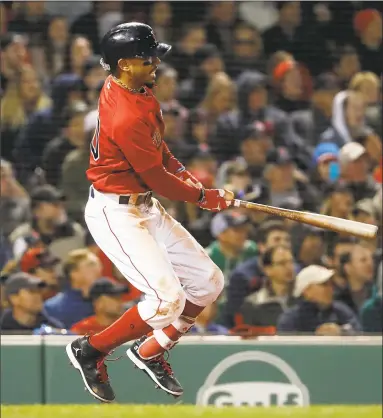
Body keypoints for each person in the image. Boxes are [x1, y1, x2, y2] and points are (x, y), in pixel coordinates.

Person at [66, 22, 233, 403]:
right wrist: (204, 197)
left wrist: (196, 184)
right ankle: (90, 350)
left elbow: (162, 154)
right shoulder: (124, 114)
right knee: (165, 300)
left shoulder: (137, 88)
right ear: (124, 64)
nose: (156, 62)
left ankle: (151, 350)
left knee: (208, 283)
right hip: (116, 212)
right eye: (147, 58)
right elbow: (155, 175)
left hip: (143, 205)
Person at [277, 265, 362, 335]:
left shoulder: (341, 311)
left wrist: (341, 331)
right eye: (324, 284)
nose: (331, 288)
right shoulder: (290, 319)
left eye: (330, 284)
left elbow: (358, 333)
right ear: (307, 290)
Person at [240, 245, 296, 331]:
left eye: (291, 262)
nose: (289, 267)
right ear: (267, 270)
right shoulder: (254, 304)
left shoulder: (304, 297)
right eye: (282, 263)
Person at [44, 248, 102, 328]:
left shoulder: (107, 303)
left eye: (99, 264)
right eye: (91, 264)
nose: (98, 269)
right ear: (74, 273)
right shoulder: (54, 307)